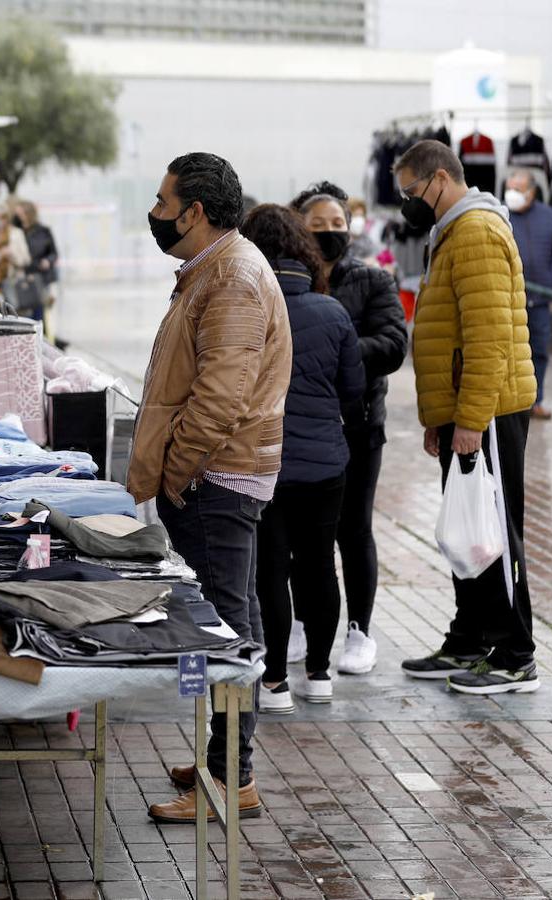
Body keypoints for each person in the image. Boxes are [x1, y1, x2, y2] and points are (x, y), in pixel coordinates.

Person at [128, 153, 291, 822]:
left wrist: (175, 472)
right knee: (221, 619)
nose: (157, 212)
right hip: (211, 476)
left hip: (215, 479)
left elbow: (219, 396)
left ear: (194, 212)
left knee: (228, 629)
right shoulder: (213, 269)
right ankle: (217, 757)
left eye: (164, 202)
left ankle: (230, 778)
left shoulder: (230, 277)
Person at [394, 140, 540, 694]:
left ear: (437, 179)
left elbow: (488, 338)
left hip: (491, 408)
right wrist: (441, 415)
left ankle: (516, 654)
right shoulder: (451, 231)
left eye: (411, 191)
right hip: (465, 408)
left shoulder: (475, 232)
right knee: (468, 526)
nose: (408, 202)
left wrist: (472, 418)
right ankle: (471, 639)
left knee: (495, 531)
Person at [240, 204, 364, 712]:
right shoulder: (333, 312)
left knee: (270, 568)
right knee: (319, 567)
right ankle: (319, 672)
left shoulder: (248, 309)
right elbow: (353, 391)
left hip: (265, 462)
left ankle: (273, 681)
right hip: (326, 466)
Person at [292, 182, 407, 676]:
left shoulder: (373, 281)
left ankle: (358, 630)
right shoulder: (287, 282)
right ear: (298, 229)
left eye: (337, 224)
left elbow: (394, 344)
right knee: (300, 532)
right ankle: (298, 621)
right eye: (318, 226)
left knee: (354, 530)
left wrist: (338, 349)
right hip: (301, 427)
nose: (329, 233)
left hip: (359, 425)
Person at [505, 167, 552, 420]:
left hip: (540, 300)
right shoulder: (501, 215)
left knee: (538, 351)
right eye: (509, 189)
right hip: (510, 300)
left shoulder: (548, 215)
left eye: (517, 190)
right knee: (509, 352)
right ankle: (511, 403)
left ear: (532, 192)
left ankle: (535, 400)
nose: (511, 195)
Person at [16, 199, 60, 330]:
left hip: (40, 278)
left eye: (20, 213)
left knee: (38, 313)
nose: (18, 216)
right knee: (21, 313)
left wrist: (48, 261)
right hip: (21, 276)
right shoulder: (15, 231)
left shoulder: (43, 231)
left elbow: (54, 253)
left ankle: (39, 340)